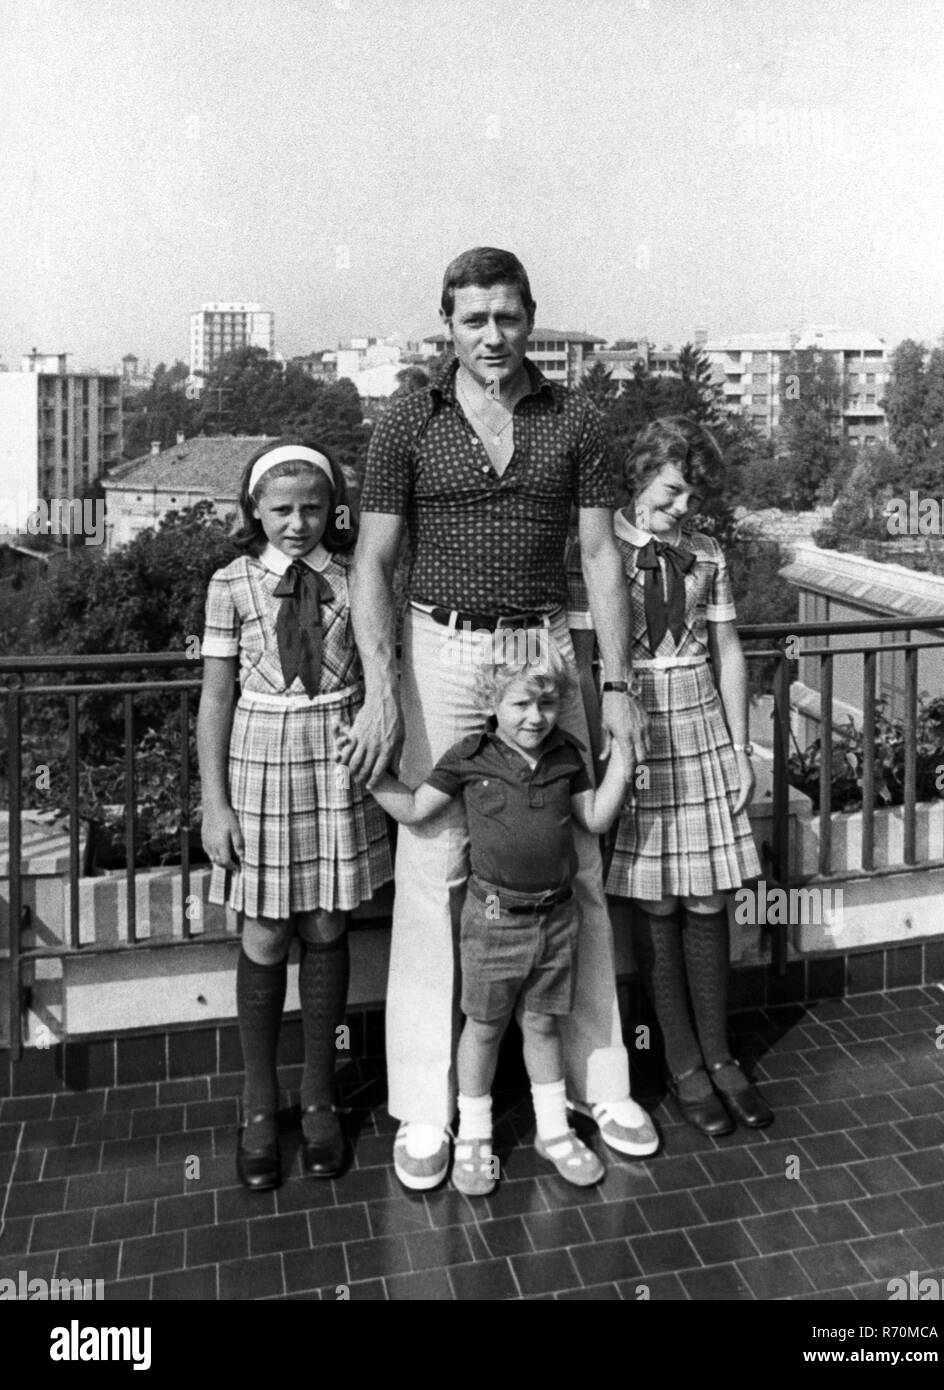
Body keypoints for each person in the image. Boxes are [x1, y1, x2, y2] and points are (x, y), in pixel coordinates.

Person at [339, 246, 659, 1190]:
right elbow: (372, 565)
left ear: (530, 316)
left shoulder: (578, 421)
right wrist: (381, 684)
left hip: (541, 653)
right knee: (433, 859)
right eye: (473, 319)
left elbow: (601, 557)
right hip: (440, 652)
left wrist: (616, 685)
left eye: (507, 317)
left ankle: (602, 1086)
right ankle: (427, 1110)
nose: (492, 336)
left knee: (576, 860)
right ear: (448, 323)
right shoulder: (407, 419)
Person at [364, 638, 632, 1194]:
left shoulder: (565, 757)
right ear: (492, 701)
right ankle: (476, 1135)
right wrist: (370, 774)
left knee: (542, 1025)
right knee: (482, 1029)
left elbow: (596, 820)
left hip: (557, 921)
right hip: (492, 923)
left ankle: (554, 1130)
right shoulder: (470, 756)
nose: (536, 717)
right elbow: (415, 810)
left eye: (548, 704)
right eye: (520, 705)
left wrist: (624, 761)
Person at [567, 416, 774, 1136]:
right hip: (635, 724)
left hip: (699, 722)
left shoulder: (705, 555)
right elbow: (588, 665)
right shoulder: (598, 553)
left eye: (691, 496)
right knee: (656, 902)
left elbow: (729, 652)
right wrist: (604, 750)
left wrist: (741, 747)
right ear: (639, 475)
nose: (684, 509)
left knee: (710, 898)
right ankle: (682, 1065)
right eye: (673, 491)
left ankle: (721, 1059)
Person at [198, 439, 392, 1191]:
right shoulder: (231, 585)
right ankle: (256, 1100)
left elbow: (385, 672)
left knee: (325, 925)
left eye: (313, 507)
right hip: (259, 763)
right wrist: (215, 804)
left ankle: (318, 1097)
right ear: (254, 510)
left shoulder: (352, 579)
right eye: (281, 509)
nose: (298, 522)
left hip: (336, 761)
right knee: (267, 929)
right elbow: (216, 698)